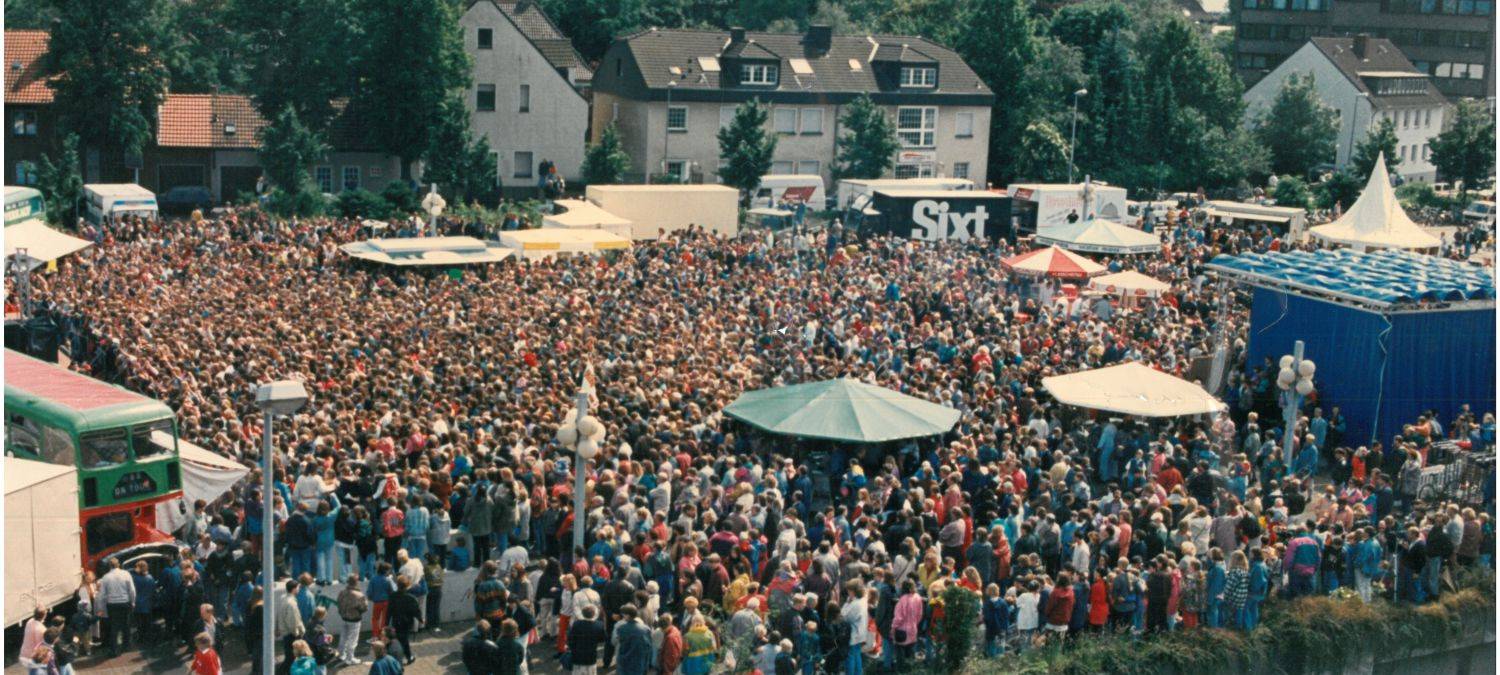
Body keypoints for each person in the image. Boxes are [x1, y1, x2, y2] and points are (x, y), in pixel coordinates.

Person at [98, 558, 136, 656]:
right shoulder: (126, 574)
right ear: (118, 564)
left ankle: (114, 650)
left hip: (112, 604)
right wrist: (133, 602)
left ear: (109, 566)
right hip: (124, 603)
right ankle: (126, 646)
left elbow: (102, 595)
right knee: (126, 625)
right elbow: (132, 590)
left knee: (114, 627)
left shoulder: (105, 577)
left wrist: (101, 608)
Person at [388, 575, 423, 665]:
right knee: (404, 639)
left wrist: (386, 622)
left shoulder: (392, 596)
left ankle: (406, 656)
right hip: (407, 622)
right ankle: (407, 656)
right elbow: (416, 611)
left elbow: (389, 611)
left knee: (400, 639)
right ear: (407, 586)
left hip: (396, 621)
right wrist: (420, 619)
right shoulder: (411, 598)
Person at [337, 573, 370, 665]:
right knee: (353, 640)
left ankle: (341, 655)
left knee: (343, 637)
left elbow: (338, 603)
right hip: (354, 619)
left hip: (344, 618)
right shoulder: (359, 595)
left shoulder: (342, 592)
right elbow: (364, 608)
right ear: (356, 582)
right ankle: (350, 658)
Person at [567, 605, 608, 675]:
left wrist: (570, 646)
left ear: (582, 613)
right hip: (591, 655)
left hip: (577, 654)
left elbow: (571, 637)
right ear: (594, 614)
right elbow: (603, 639)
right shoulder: (599, 625)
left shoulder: (576, 624)